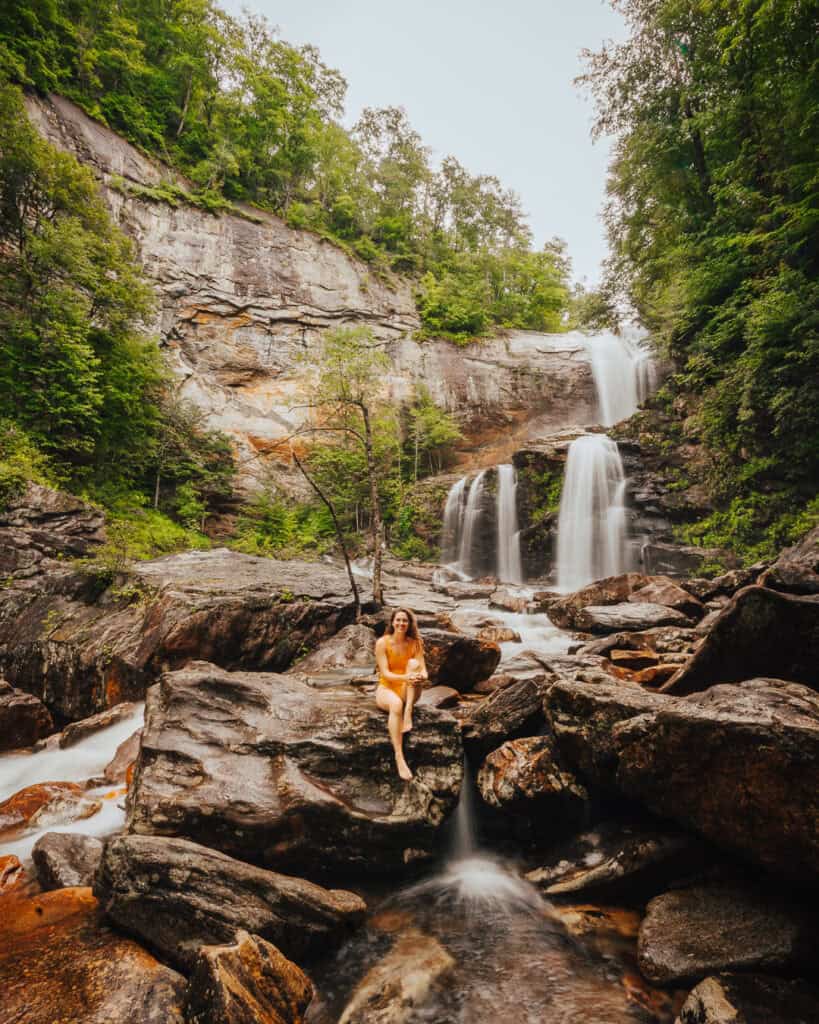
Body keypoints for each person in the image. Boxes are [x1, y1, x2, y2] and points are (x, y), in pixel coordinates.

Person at [375, 607, 428, 780]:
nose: (401, 623)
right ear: (392, 622)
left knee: (413, 664)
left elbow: (424, 671)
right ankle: (399, 756)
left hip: (409, 691)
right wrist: (408, 677)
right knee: (396, 704)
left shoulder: (415, 643)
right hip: (387, 689)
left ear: (409, 623)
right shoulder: (382, 643)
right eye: (398, 620)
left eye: (405, 620)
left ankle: (408, 712)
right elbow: (386, 674)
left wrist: (420, 676)